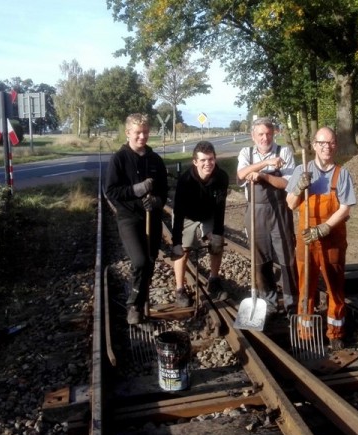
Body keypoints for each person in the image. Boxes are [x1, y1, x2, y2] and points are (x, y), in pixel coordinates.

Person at [286, 127, 356, 351]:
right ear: (314, 145)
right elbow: (290, 203)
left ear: (335, 145)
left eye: (331, 143)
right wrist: (298, 187)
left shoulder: (341, 173)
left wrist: (324, 227)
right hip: (306, 241)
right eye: (322, 143)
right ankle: (305, 333)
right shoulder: (302, 170)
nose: (327, 147)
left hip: (332, 239)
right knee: (306, 288)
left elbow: (345, 209)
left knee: (335, 288)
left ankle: (335, 333)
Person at [105, 113, 169, 325]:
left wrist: (158, 201)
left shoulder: (155, 160)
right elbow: (112, 191)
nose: (142, 136)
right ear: (128, 133)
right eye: (138, 133)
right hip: (129, 218)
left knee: (150, 263)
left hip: (152, 217)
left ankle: (140, 306)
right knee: (140, 261)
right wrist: (136, 190)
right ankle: (133, 304)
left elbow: (164, 190)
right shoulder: (119, 159)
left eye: (145, 132)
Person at [236, 117, 298, 317]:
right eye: (261, 134)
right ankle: (268, 303)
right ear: (253, 136)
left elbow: (288, 184)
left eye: (268, 134)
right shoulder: (246, 152)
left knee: (287, 257)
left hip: (280, 209)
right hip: (255, 211)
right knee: (260, 258)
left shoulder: (284, 152)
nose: (265, 138)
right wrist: (265, 163)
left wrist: (262, 176)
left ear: (274, 134)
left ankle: (292, 304)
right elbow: (240, 175)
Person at [171, 141, 229, 304]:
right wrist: (176, 241)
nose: (207, 164)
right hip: (187, 216)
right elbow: (179, 211)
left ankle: (214, 280)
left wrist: (217, 233)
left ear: (215, 159)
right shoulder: (186, 180)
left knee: (217, 243)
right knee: (183, 249)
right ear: (195, 162)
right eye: (203, 160)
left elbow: (220, 208)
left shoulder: (221, 177)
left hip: (208, 215)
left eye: (210, 159)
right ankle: (180, 289)